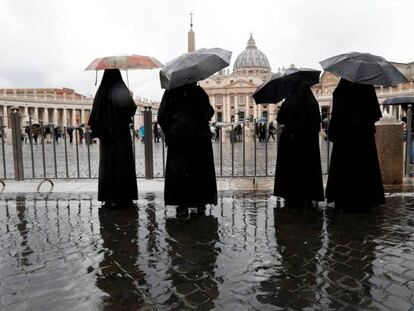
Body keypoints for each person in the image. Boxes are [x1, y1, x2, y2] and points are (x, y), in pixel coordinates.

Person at [158, 83, 217, 216]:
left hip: (179, 138)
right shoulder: (199, 91)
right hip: (199, 138)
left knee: (180, 172)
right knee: (199, 172)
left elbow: (161, 115)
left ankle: (182, 205)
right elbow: (209, 112)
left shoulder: (171, 92)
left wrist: (170, 130)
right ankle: (200, 203)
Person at [326, 78, 385, 211]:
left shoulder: (341, 89)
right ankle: (365, 199)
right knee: (364, 167)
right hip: (363, 137)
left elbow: (336, 116)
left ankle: (344, 198)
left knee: (345, 168)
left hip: (344, 138)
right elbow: (375, 115)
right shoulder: (367, 87)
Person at [88, 69, 138, 208]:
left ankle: (109, 197)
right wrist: (129, 96)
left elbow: (95, 116)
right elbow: (131, 109)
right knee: (123, 164)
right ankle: (124, 196)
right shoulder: (121, 88)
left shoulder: (102, 91)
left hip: (107, 136)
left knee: (108, 165)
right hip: (121, 135)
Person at [274, 87, 324, 208]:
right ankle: (308, 194)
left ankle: (291, 194)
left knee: (291, 167)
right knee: (308, 167)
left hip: (291, 140)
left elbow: (280, 119)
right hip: (308, 141)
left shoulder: (289, 101)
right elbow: (318, 123)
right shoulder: (313, 102)